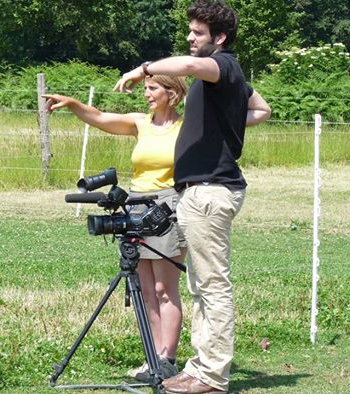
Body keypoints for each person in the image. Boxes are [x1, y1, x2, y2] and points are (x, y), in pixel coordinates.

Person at [114, 1, 271, 393]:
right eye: (190, 31)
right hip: (203, 192)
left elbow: (185, 66)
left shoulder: (224, 66)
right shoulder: (222, 81)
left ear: (219, 38)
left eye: (198, 32)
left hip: (209, 191)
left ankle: (212, 377)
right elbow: (261, 108)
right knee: (202, 285)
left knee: (212, 286)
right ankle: (200, 369)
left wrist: (144, 69)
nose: (189, 37)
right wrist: (225, 124)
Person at [43, 74, 189, 381]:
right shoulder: (140, 123)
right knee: (145, 290)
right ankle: (153, 359)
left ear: (172, 92)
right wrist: (72, 104)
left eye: (153, 89)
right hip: (136, 203)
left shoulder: (186, 127)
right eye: (146, 89)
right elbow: (99, 118)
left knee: (164, 290)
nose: (147, 94)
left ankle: (168, 359)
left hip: (169, 207)